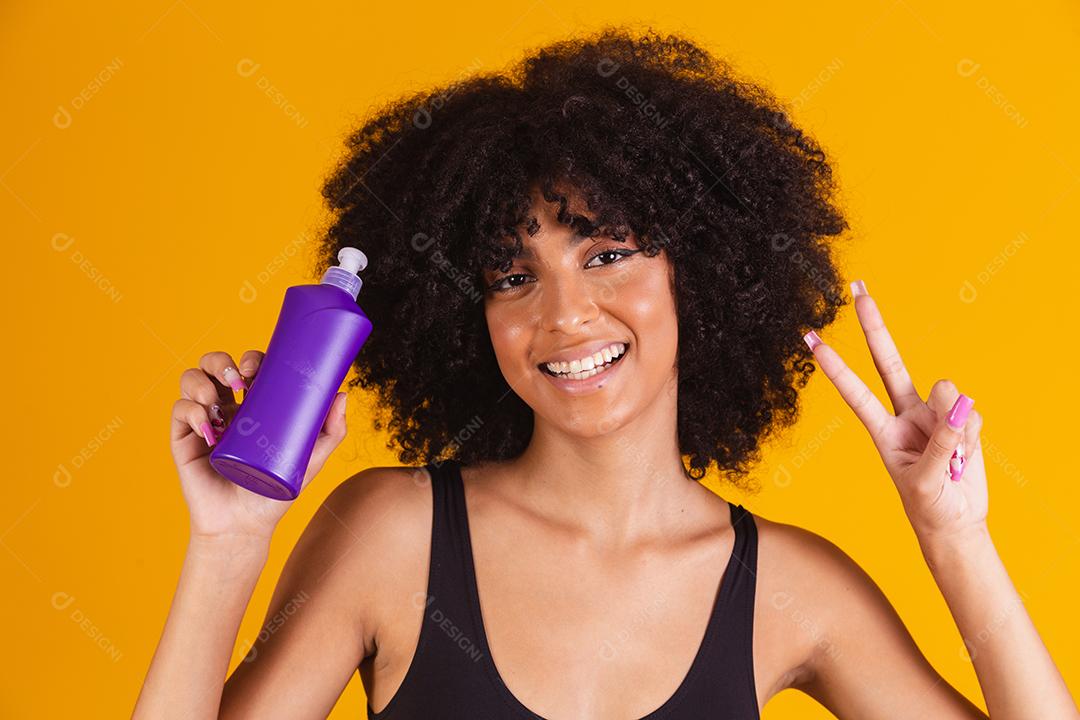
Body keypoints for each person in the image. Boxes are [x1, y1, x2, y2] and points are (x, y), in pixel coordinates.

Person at [134, 27, 1078, 719]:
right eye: (514, 275)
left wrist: (955, 539)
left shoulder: (791, 589)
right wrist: (229, 542)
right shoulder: (390, 538)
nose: (564, 314)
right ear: (474, 317)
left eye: (608, 253)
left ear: (696, 275)